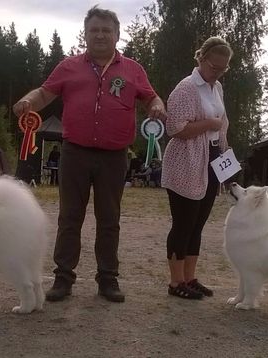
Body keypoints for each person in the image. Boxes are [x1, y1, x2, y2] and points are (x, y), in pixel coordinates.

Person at [13, 6, 166, 303]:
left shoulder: (133, 69)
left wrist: (157, 106)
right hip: (75, 153)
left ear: (117, 35)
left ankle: (108, 279)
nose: (99, 35)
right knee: (70, 217)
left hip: (114, 156)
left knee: (110, 219)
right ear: (85, 34)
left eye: (106, 30)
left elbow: (150, 96)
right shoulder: (69, 66)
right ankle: (63, 279)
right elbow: (44, 93)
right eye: (94, 30)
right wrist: (27, 100)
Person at [161, 36, 232, 299]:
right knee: (183, 223)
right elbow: (175, 128)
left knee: (198, 224)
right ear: (201, 59)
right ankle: (175, 282)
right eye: (214, 67)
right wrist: (209, 124)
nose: (217, 73)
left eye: (223, 69)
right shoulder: (186, 88)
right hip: (186, 161)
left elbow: (222, 124)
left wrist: (225, 157)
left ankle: (190, 278)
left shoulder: (217, 88)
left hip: (212, 158)